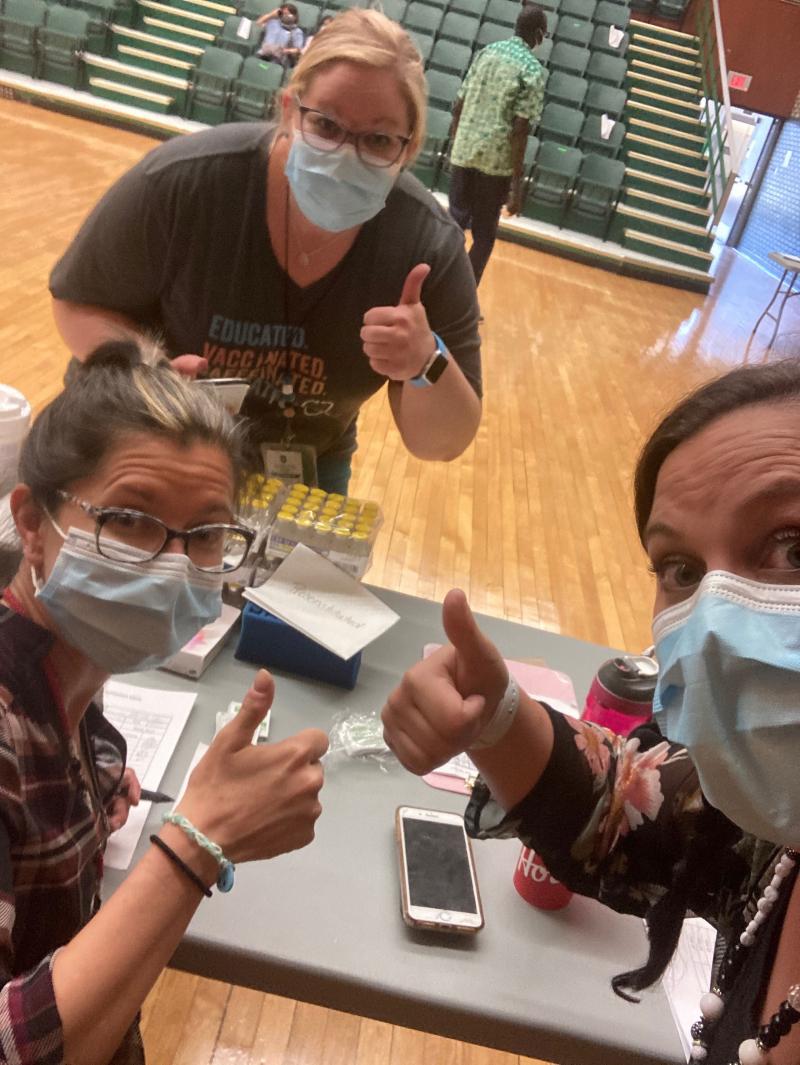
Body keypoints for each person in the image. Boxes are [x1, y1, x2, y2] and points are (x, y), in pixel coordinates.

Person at [382, 359, 800, 1065]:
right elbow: (635, 816)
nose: (719, 619)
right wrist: (493, 713)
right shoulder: (774, 847)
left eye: (792, 546)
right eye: (681, 569)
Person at [0, 337, 327, 1063]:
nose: (174, 565)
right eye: (128, 520)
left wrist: (96, 783)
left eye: (207, 533)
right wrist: (196, 842)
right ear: (31, 523)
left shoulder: (71, 677)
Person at [48, 9, 482, 496]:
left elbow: (441, 444)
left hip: (302, 472)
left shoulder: (427, 247)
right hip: (143, 433)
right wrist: (149, 370)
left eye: (378, 139)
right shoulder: (186, 181)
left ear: (409, 148)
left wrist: (425, 362)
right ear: (289, 110)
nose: (344, 154)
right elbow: (76, 301)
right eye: (326, 124)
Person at [447, 4, 547, 287]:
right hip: (496, 165)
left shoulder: (486, 53)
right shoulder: (532, 69)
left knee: (453, 225)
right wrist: (516, 186)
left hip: (464, 153)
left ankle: (435, 288)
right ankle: (461, 298)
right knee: (484, 236)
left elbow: (458, 105)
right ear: (539, 35)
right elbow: (520, 130)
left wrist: (459, 144)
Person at [256, 3, 304, 68]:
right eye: (283, 13)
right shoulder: (272, 23)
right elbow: (258, 24)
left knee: (268, 69)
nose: (285, 16)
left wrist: (285, 51)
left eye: (288, 14)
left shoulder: (297, 32)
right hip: (262, 57)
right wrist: (271, 15)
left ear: (295, 16)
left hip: (278, 62)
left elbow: (298, 50)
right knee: (259, 67)